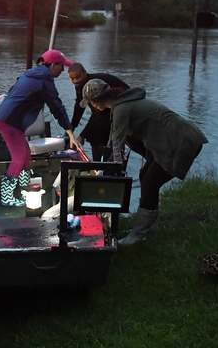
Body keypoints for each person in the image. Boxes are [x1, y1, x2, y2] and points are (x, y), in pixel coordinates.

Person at [82, 79, 208, 245]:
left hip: (182, 142)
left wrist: (103, 173)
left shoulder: (121, 108)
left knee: (150, 182)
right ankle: (145, 227)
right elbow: (114, 141)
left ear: (95, 101)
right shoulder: (121, 105)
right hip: (174, 141)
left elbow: (115, 146)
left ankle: (138, 234)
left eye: (90, 103)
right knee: (145, 176)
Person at [0, 49, 77, 207]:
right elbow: (57, 107)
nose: (63, 69)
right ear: (53, 65)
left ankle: (25, 190)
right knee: (18, 158)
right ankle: (7, 197)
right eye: (61, 66)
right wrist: (70, 132)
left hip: (8, 119)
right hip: (9, 122)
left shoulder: (31, 74)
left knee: (26, 155)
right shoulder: (44, 80)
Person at [68, 62, 130, 161]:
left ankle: (102, 165)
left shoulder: (93, 85)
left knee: (99, 135)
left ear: (85, 72)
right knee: (95, 134)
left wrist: (82, 136)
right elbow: (79, 105)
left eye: (78, 77)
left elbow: (100, 113)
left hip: (120, 106)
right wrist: (72, 128)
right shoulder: (80, 85)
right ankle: (99, 164)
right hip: (106, 110)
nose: (75, 81)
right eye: (72, 78)